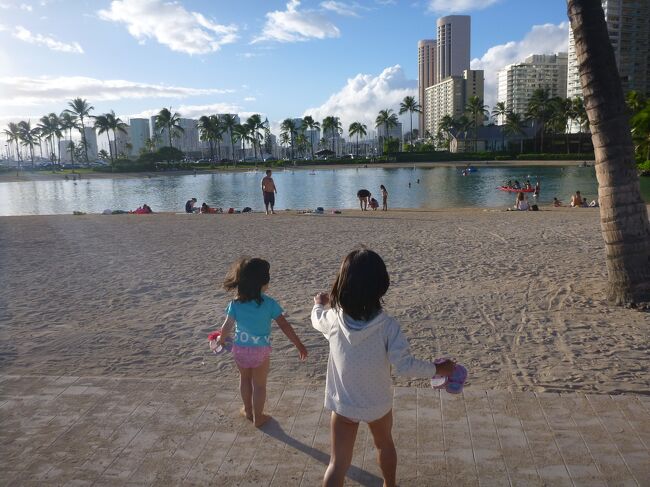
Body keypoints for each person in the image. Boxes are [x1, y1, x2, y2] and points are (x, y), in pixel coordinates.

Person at [311, 249, 455, 487]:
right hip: (377, 403)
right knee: (384, 444)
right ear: (381, 286)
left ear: (342, 284)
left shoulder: (333, 319)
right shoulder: (388, 327)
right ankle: (390, 484)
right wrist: (438, 369)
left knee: (337, 464)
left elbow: (317, 319)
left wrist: (319, 304)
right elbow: (405, 366)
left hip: (344, 404)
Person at [217, 258, 308, 427]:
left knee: (244, 379)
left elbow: (226, 326)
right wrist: (298, 344)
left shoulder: (235, 304)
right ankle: (258, 417)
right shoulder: (269, 304)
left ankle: (247, 410)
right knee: (259, 385)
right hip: (260, 351)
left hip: (240, 349)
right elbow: (284, 325)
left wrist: (220, 340)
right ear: (263, 283)